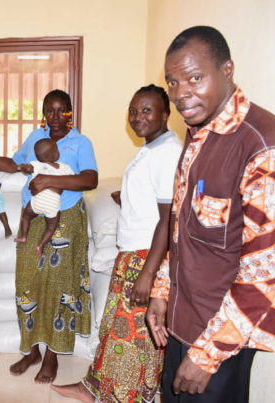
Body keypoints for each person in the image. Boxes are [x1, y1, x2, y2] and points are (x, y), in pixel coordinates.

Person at [146, 26, 275, 402]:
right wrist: (161, 290)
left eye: (194, 78)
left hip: (220, 341)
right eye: (172, 82)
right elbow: (183, 230)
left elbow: (264, 274)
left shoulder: (261, 146)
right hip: (181, 322)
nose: (181, 93)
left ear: (228, 69)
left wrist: (207, 356)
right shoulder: (198, 131)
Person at [0, 89, 98, 384]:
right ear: (43, 114)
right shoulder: (36, 137)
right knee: (27, 281)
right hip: (32, 214)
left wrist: (51, 180)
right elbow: (13, 164)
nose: (56, 117)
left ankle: (51, 356)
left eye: (63, 111)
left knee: (57, 284)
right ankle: (32, 350)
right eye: (50, 111)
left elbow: (90, 178)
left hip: (66, 215)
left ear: (71, 113)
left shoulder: (80, 142)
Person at [52, 84, 182, 402]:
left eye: (147, 110)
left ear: (166, 113)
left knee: (133, 337)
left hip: (146, 255)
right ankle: (94, 387)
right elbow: (154, 198)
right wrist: (125, 197)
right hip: (132, 251)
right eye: (134, 110)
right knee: (113, 328)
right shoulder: (150, 148)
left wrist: (149, 273)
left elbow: (169, 218)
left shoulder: (167, 152)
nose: (138, 116)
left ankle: (124, 396)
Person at [15, 139, 75, 256]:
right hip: (52, 203)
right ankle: (41, 245)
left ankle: (23, 236)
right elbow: (73, 179)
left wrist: (21, 166)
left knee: (26, 215)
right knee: (51, 225)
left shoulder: (37, 165)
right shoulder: (64, 167)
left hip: (38, 201)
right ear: (55, 154)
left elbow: (28, 168)